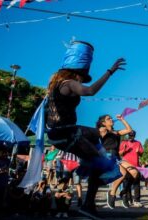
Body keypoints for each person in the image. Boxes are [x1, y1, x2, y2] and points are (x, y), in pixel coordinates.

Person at [45, 40, 126, 218]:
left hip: (62, 132)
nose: (82, 81)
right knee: (101, 161)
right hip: (66, 134)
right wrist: (110, 71)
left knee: (98, 134)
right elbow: (89, 91)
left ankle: (86, 164)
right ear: (78, 72)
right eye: (82, 76)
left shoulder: (54, 86)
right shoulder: (68, 83)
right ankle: (88, 205)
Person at [97, 114, 133, 209]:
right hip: (108, 156)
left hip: (116, 156)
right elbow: (97, 132)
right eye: (108, 119)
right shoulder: (103, 131)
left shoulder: (116, 132)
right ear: (103, 123)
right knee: (123, 173)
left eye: (111, 118)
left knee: (134, 172)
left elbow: (129, 130)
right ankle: (112, 193)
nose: (111, 119)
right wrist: (103, 128)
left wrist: (122, 119)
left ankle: (123, 193)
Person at [118, 130, 144, 208]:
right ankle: (129, 199)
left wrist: (139, 152)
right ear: (127, 135)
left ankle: (137, 201)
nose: (130, 137)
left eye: (132, 136)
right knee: (126, 182)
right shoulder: (123, 143)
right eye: (129, 135)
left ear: (134, 136)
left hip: (136, 166)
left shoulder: (138, 143)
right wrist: (124, 150)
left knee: (136, 184)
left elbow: (141, 154)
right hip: (126, 166)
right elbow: (119, 153)